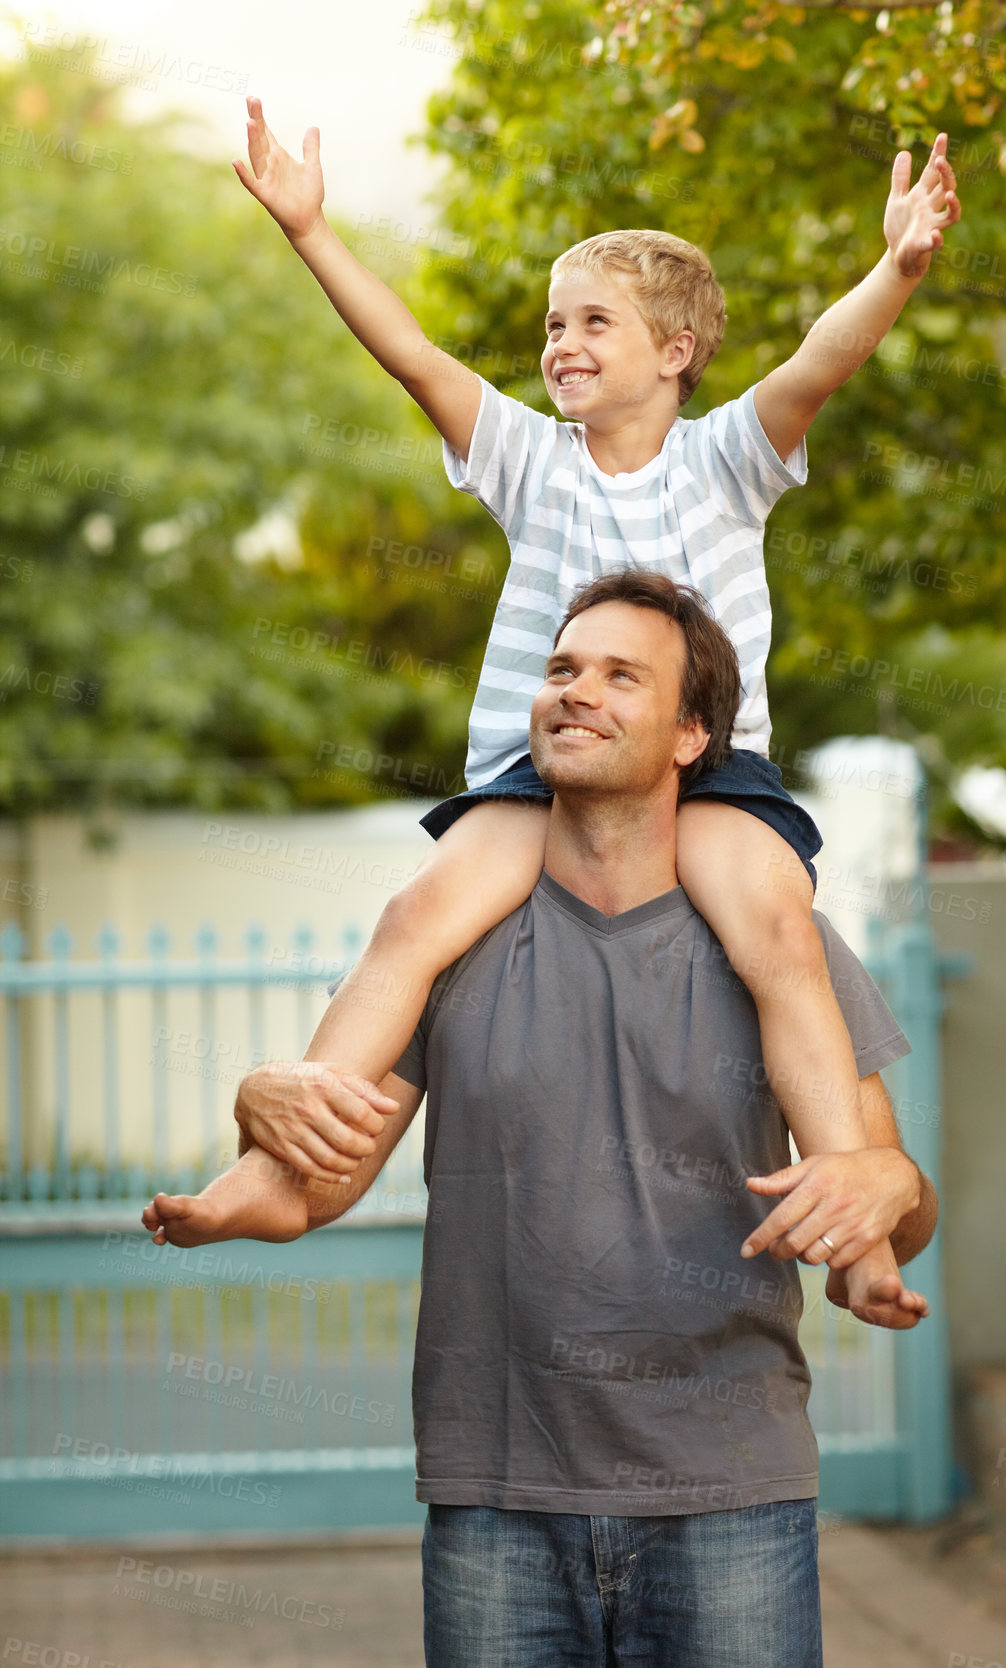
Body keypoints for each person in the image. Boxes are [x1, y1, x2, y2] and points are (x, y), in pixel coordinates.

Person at [229, 101, 960, 1313]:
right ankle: (277, 1176)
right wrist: (312, 231)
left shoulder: (730, 460)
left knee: (780, 938)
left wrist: (893, 268)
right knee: (417, 919)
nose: (562, 343)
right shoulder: (527, 458)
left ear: (675, 350)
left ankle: (859, 1222)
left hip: (710, 766)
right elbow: (411, 354)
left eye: (594, 324)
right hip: (537, 774)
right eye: (553, 324)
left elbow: (822, 359)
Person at [144, 572, 937, 1667]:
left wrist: (888, 1195)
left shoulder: (778, 935)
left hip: (730, 1497)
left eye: (622, 676)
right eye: (562, 668)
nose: (576, 691)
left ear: (691, 735)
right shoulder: (457, 934)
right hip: (497, 1498)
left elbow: (888, 1195)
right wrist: (254, 1117)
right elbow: (324, 1176)